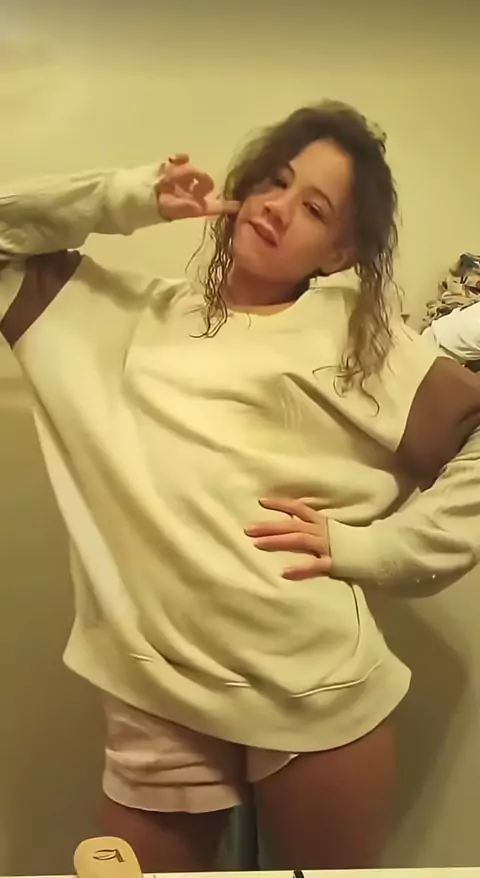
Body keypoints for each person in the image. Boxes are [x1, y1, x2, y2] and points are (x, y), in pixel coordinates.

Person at [1, 101, 480, 871]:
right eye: (275, 181)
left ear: (340, 249)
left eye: (314, 208)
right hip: (156, 694)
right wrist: (126, 198)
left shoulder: (355, 333)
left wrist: (382, 551)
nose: (278, 207)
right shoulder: (119, 315)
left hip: (313, 690)